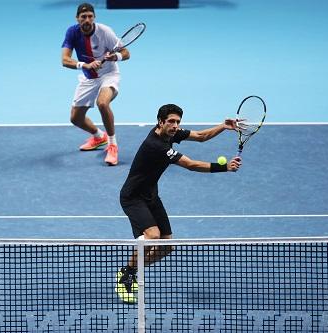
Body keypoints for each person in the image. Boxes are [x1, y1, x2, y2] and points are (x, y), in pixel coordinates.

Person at [116, 104, 242, 303]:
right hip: (133, 197)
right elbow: (191, 165)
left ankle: (131, 269)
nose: (175, 126)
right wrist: (224, 167)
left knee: (167, 247)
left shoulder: (169, 134)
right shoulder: (156, 145)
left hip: (151, 196)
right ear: (160, 122)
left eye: (177, 122)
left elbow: (200, 136)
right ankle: (126, 275)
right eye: (171, 122)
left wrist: (223, 126)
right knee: (153, 235)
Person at [61, 3, 130, 166]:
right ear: (77, 18)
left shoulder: (105, 32)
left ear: (94, 18)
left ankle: (112, 145)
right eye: (83, 17)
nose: (87, 20)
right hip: (89, 78)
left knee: (102, 103)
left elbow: (126, 53)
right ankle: (99, 137)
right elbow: (64, 60)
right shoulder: (72, 32)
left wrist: (115, 57)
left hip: (109, 74)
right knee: (75, 118)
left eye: (90, 16)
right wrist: (84, 65)